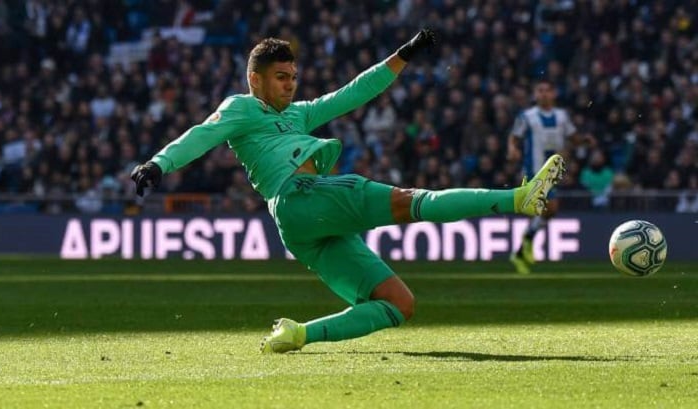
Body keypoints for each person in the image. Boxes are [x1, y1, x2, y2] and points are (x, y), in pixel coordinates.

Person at [131, 30, 566, 353]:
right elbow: (201, 135)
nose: (290, 84)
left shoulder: (298, 114)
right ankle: (517, 199)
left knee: (397, 304)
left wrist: (402, 56)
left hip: (302, 225)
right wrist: (159, 163)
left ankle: (298, 333)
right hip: (302, 194)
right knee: (414, 201)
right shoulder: (241, 107)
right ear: (255, 79)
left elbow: (353, 93)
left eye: (293, 76)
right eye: (281, 77)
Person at [507, 79, 576, 274]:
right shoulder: (527, 117)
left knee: (548, 211)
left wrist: (582, 141)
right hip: (533, 171)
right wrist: (512, 148)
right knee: (549, 207)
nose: (544, 94)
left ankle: (523, 247)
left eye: (547, 90)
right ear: (535, 94)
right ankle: (523, 247)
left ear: (554, 94)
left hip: (553, 172)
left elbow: (571, 136)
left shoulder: (562, 116)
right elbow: (514, 136)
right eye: (540, 90)